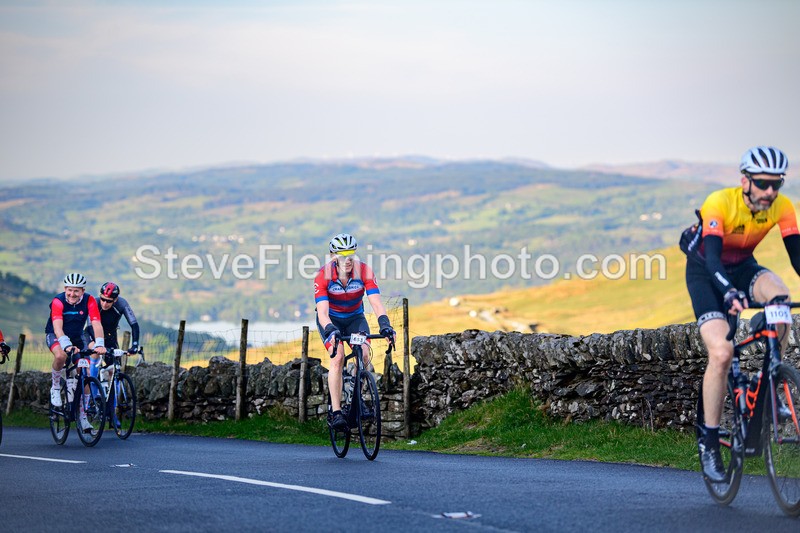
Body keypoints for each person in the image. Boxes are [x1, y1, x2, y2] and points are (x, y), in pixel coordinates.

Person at [683, 146, 799, 482]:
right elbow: (713, 260)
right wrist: (729, 293)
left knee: (780, 298)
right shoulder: (719, 203)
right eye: (762, 183)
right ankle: (708, 441)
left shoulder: (782, 206)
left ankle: (770, 385)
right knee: (722, 353)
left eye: (776, 183)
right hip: (706, 274)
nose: (770, 191)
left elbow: (797, 258)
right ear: (745, 181)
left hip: (743, 267)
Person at [314, 233, 395, 431]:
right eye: (343, 256)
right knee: (338, 357)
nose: (348, 260)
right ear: (333, 256)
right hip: (331, 321)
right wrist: (331, 330)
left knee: (364, 354)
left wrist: (385, 325)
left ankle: (357, 399)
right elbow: (322, 313)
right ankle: (336, 412)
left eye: (351, 255)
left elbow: (376, 303)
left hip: (355, 319)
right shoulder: (323, 275)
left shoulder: (364, 271)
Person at [45, 273, 106, 431]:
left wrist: (100, 344)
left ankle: (82, 416)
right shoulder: (58, 301)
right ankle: (55, 387)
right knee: (61, 355)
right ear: (65, 289)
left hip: (77, 338)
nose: (72, 294)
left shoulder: (89, 300)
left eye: (76, 291)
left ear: (82, 291)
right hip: (56, 335)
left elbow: (96, 323)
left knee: (85, 373)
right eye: (69, 290)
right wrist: (66, 345)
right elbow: (57, 327)